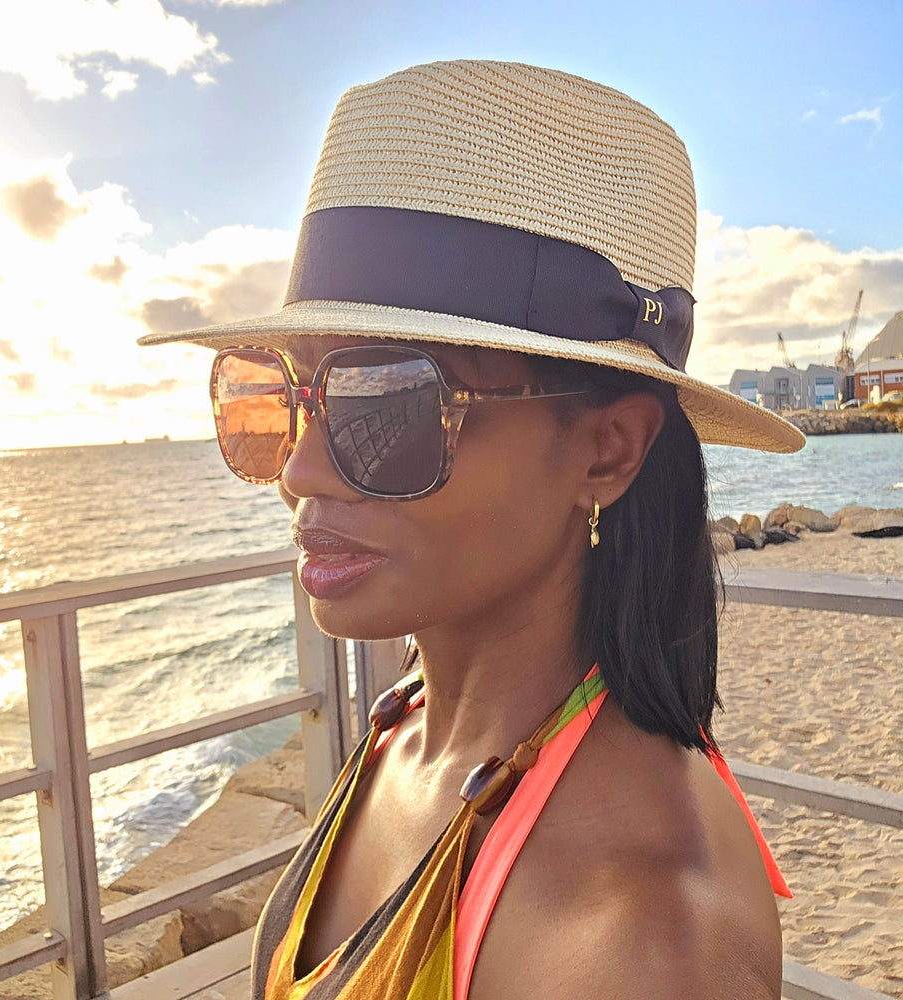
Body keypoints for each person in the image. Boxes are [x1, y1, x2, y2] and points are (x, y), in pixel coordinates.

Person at [141, 60, 804, 1000]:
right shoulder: (406, 724)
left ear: (607, 452)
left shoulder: (637, 938)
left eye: (390, 401)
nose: (300, 470)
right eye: (283, 395)